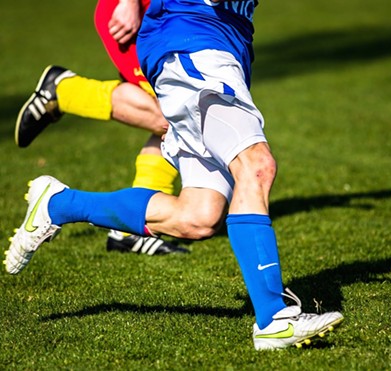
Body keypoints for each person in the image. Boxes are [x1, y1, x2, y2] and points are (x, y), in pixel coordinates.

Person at [4, 0, 343, 350]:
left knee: (199, 217)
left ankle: (59, 204)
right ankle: (273, 318)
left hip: (221, 46)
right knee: (256, 166)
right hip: (192, 41)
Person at [15, 0, 188, 255]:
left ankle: (131, 229)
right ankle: (65, 91)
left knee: (181, 116)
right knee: (175, 117)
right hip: (137, 13)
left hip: (171, 17)